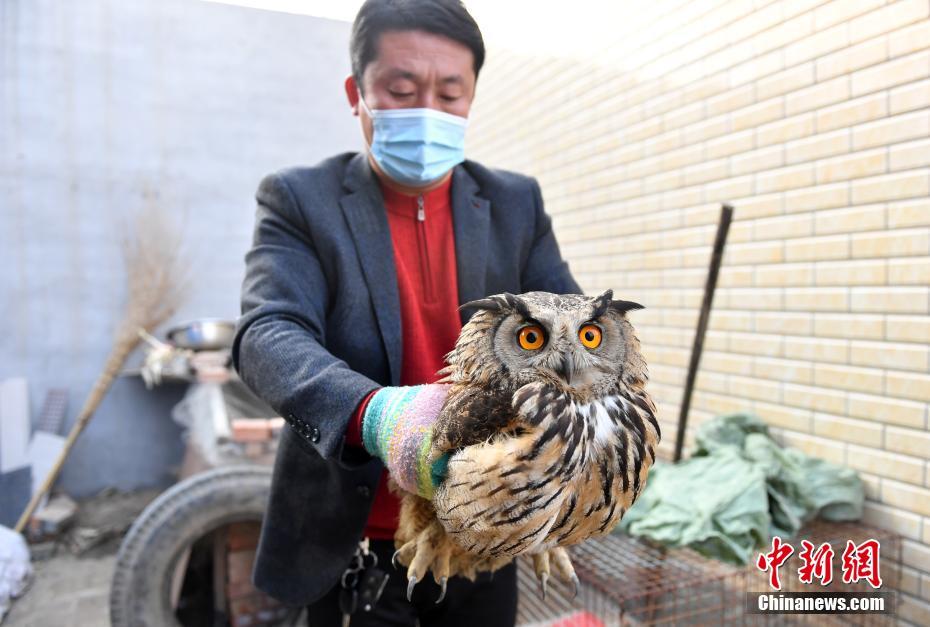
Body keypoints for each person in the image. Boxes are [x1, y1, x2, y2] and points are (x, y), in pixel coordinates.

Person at [232, 1, 580, 624]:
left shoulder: (513, 204)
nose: (428, 112)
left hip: (485, 528)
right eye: (400, 89)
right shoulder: (300, 200)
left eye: (450, 93)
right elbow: (268, 332)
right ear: (355, 92)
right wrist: (375, 416)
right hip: (360, 544)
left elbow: (569, 329)